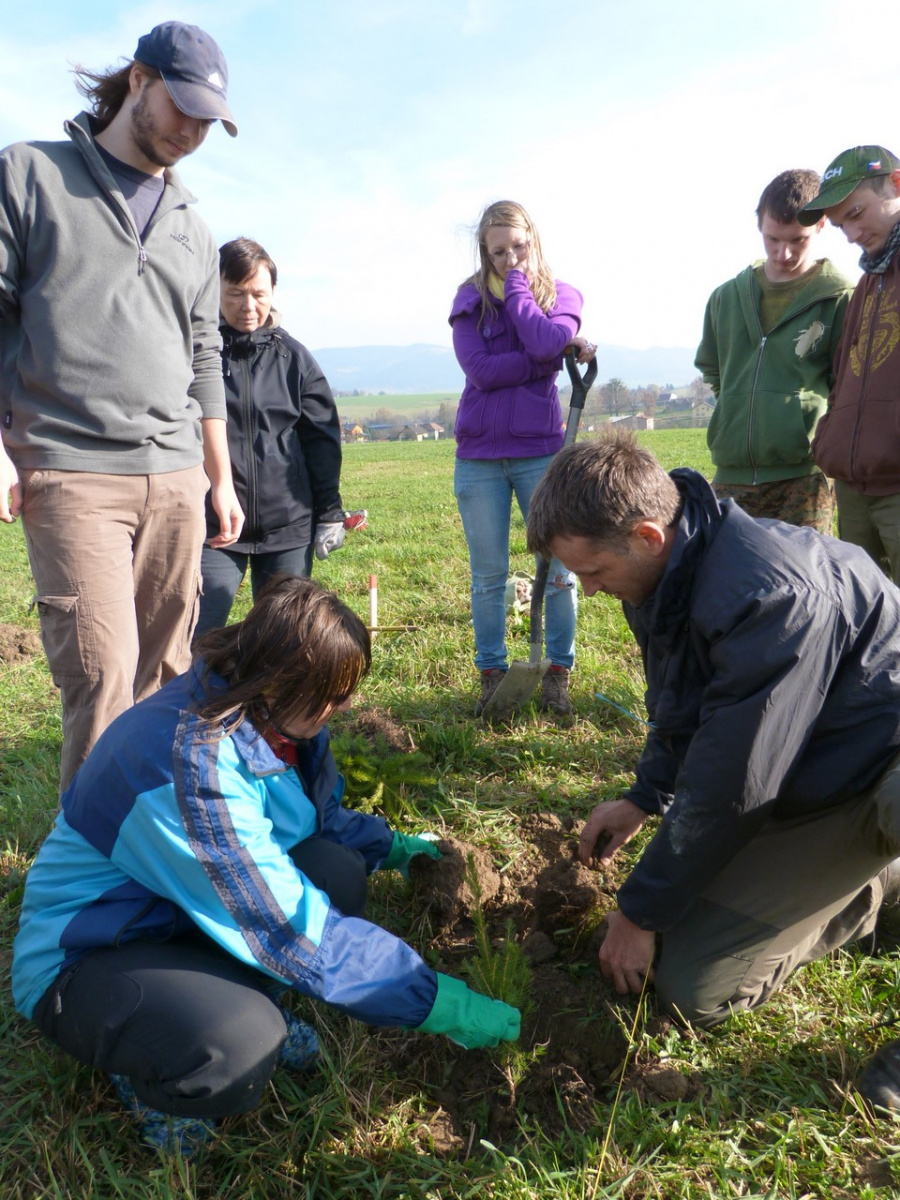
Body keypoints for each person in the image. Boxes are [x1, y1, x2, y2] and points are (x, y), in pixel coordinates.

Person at [11, 577, 520, 1156]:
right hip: (88, 954)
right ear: (278, 679)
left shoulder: (280, 720)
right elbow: (285, 929)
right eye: (333, 693)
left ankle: (220, 1000)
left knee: (337, 871)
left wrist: (397, 847)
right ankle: (156, 1078)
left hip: (176, 913)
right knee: (241, 1041)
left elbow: (316, 821)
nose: (345, 706)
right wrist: (435, 1001)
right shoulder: (188, 765)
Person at [526, 433, 900, 1052]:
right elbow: (683, 708)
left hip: (878, 759)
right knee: (691, 979)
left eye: (592, 572)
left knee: (700, 992)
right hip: (809, 768)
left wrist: (641, 911)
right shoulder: (662, 572)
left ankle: (881, 871)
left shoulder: (770, 596)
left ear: (647, 535)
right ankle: (870, 877)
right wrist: (645, 796)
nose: (588, 590)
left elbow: (733, 781)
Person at [0, 22, 244, 791]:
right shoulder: (32, 174)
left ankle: (150, 854)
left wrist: (220, 478)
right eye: (184, 107)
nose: (194, 131)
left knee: (167, 681)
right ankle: (85, 878)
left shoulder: (194, 229)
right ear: (138, 79)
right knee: (103, 679)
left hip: (174, 478)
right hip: (71, 471)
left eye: (210, 121)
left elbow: (203, 355)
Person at [450, 200, 595, 717]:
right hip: (480, 459)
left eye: (518, 247)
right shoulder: (468, 299)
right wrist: (541, 361)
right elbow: (481, 371)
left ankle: (558, 671)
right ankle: (492, 672)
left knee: (557, 568)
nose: (509, 258)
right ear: (483, 253)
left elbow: (546, 337)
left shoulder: (562, 295)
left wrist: (518, 289)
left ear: (533, 238)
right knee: (488, 575)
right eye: (498, 253)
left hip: (541, 455)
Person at [194, 237, 345, 640]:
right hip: (214, 528)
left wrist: (329, 511)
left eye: (259, 294)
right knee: (195, 637)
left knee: (285, 641)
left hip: (287, 529)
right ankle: (192, 704)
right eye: (236, 294)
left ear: (273, 293)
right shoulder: (196, 357)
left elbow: (322, 440)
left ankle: (274, 706)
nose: (249, 306)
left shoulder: (294, 359)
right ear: (214, 290)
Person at [696, 169, 854, 533]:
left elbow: (843, 385)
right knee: (732, 583)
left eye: (797, 240)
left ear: (821, 225)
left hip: (804, 477)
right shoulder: (725, 298)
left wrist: (796, 425)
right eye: (773, 239)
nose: (784, 253)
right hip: (731, 476)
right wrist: (740, 409)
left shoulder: (840, 298)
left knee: (803, 583)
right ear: (759, 226)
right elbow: (714, 370)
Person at [797, 146, 900, 580]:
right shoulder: (866, 284)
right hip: (855, 487)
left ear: (895, 186)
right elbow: (845, 375)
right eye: (841, 226)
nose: (852, 233)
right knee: (869, 614)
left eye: (857, 214)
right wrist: (831, 439)